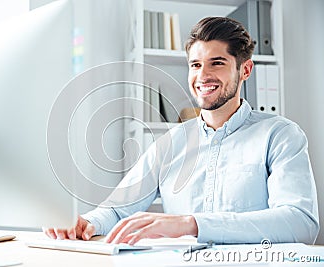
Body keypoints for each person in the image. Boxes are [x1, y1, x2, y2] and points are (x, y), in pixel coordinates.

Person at [43, 16, 319, 245]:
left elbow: (300, 222)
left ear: (245, 69)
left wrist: (191, 224)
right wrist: (87, 224)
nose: (203, 76)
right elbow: (117, 208)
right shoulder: (171, 143)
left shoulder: (280, 135)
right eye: (195, 65)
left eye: (217, 63)